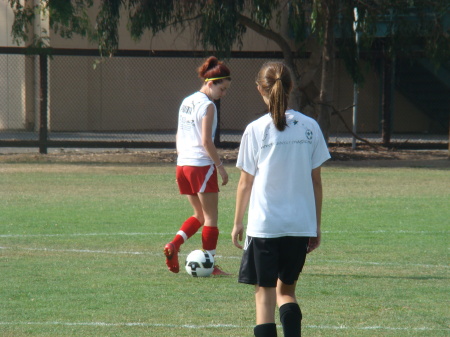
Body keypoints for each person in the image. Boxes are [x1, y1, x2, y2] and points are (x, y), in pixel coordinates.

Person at [231, 61, 330, 336]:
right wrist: (315, 226)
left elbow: (245, 182)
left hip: (264, 226)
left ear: (259, 89)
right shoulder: (310, 127)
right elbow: (316, 181)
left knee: (264, 296)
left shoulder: (255, 129)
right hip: (299, 225)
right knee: (286, 292)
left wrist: (237, 222)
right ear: (291, 87)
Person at [164, 56, 231, 276]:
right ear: (211, 83)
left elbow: (178, 134)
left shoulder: (187, 101)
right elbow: (206, 142)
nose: (223, 95)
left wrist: (180, 159)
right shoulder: (207, 106)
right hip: (200, 165)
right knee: (211, 217)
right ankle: (210, 265)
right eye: (222, 89)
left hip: (183, 164)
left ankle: (174, 244)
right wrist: (219, 166)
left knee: (199, 215)